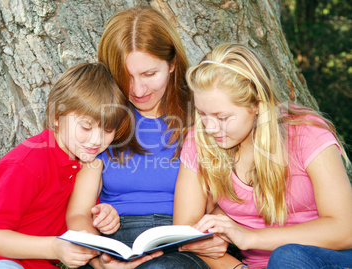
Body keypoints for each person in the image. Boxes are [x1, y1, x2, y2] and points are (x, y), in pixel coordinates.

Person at [66, 6, 226, 269]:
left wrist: (217, 229)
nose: (138, 90)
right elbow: (79, 213)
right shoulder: (103, 123)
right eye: (126, 77)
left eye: (149, 74)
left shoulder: (202, 115)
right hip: (112, 243)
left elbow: (233, 194)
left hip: (180, 244)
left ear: (172, 64)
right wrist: (99, 259)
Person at [174, 42, 352, 269]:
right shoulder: (200, 140)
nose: (209, 127)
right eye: (202, 113)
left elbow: (345, 229)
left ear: (257, 104)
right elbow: (186, 235)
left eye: (222, 117)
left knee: (286, 257)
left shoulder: (307, 134)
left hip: (328, 259)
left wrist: (249, 237)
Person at [0, 63, 129, 269]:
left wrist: (101, 255)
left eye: (107, 130)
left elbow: (78, 220)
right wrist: (55, 247)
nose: (97, 140)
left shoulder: (89, 166)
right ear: (57, 119)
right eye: (86, 127)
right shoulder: (29, 163)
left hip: (34, 262)